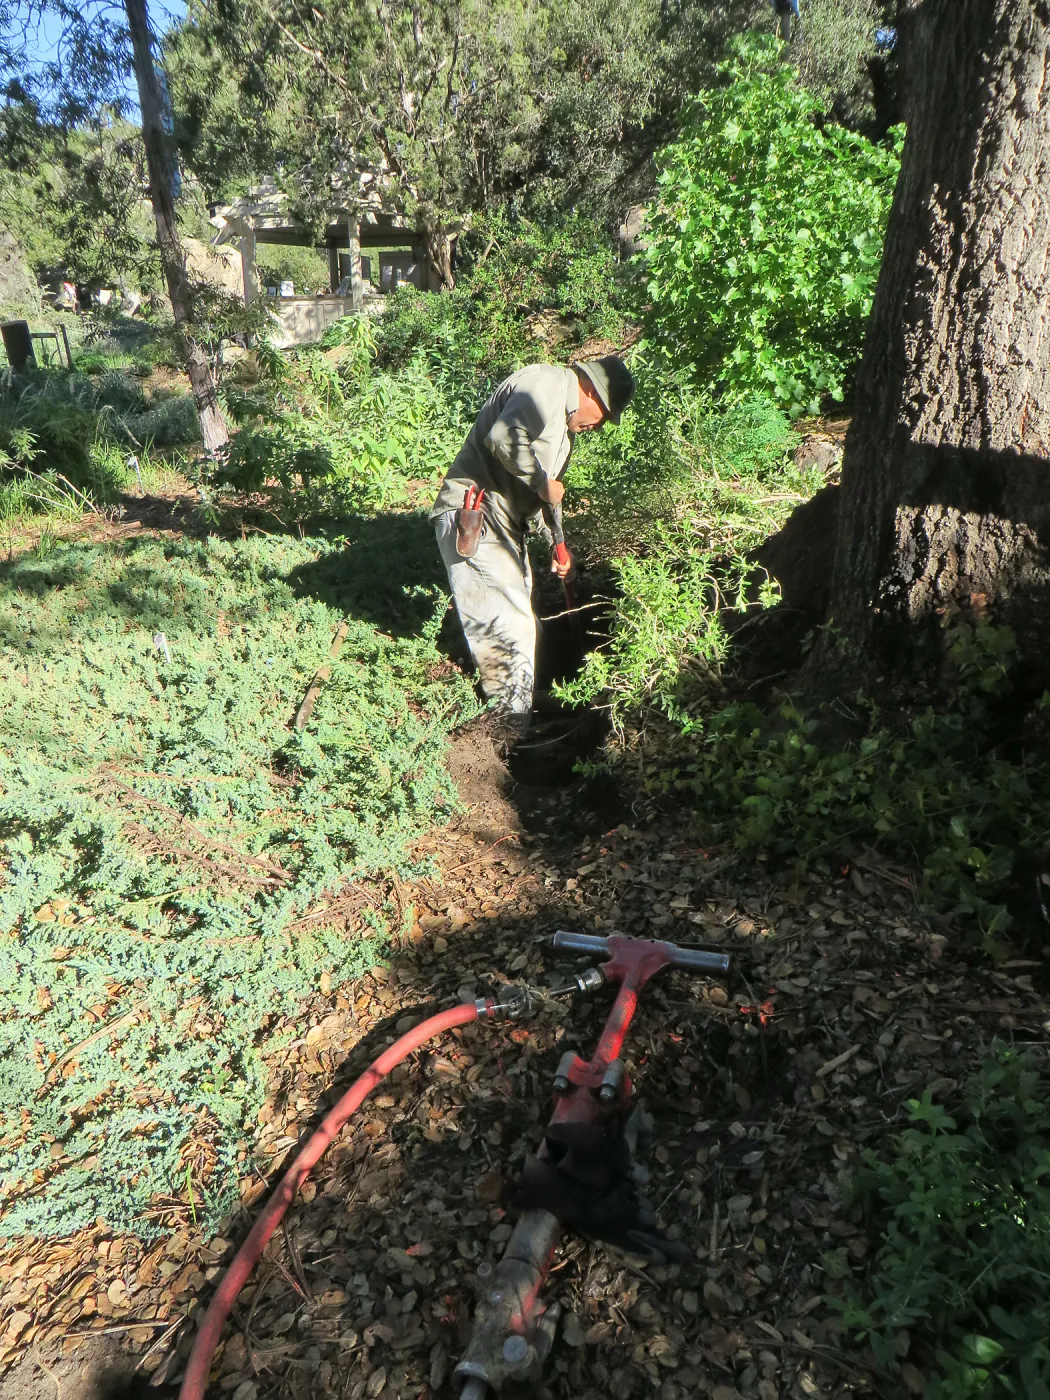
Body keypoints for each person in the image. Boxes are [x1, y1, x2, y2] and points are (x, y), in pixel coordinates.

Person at [432, 356, 635, 725]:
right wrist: (543, 482)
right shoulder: (547, 385)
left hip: (504, 526)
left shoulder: (562, 428)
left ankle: (523, 709)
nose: (599, 426)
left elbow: (543, 496)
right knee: (511, 629)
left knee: (528, 626)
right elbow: (504, 437)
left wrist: (557, 543)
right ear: (591, 391)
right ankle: (510, 734)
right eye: (604, 414)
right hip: (476, 515)